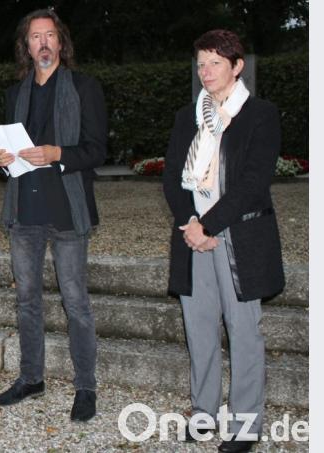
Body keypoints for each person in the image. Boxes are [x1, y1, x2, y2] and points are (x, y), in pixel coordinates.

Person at [163, 30, 284, 453]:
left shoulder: (260, 114)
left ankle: (246, 427)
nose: (206, 71)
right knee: (199, 331)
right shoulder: (187, 116)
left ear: (237, 66)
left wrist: (209, 227)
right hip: (193, 236)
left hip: (240, 238)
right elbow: (171, 178)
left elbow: (253, 183)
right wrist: (191, 224)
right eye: (201, 63)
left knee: (244, 333)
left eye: (215, 62)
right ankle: (204, 414)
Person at [0, 9, 107, 422]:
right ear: (26, 46)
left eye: (49, 36)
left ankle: (86, 387)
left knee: (75, 302)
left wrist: (58, 154)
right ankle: (31, 378)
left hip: (67, 209)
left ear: (61, 43)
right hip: (25, 210)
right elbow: (10, 154)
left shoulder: (84, 87)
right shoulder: (14, 93)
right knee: (26, 301)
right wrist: (2, 159)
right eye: (35, 37)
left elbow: (97, 150)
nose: (42, 43)